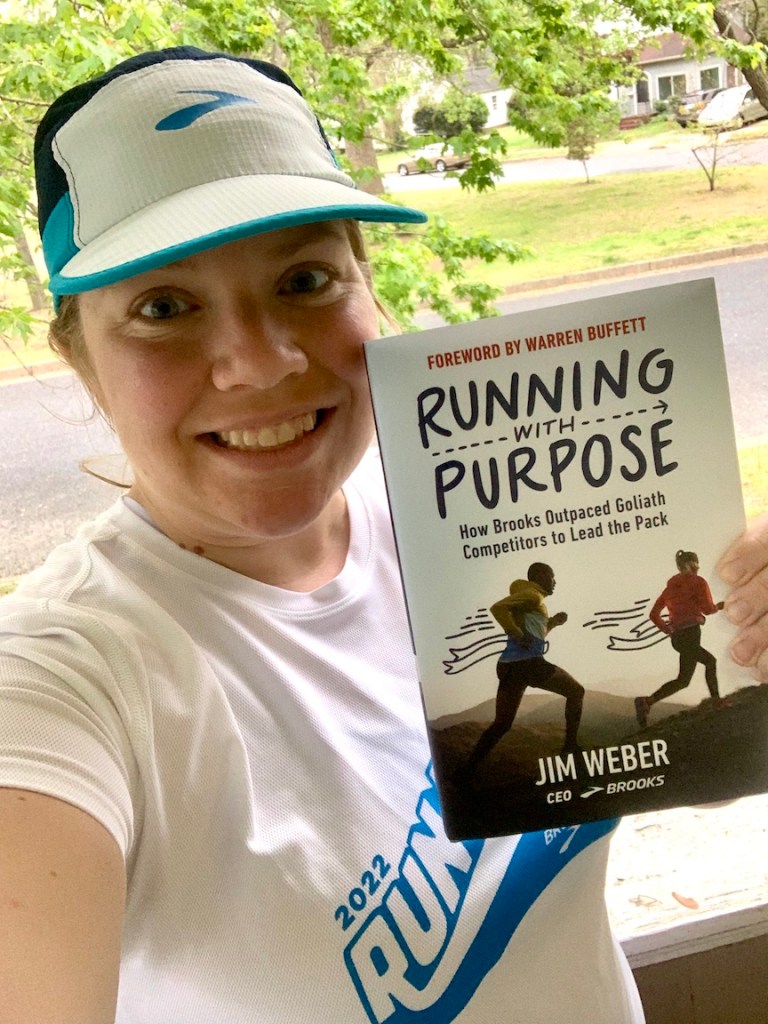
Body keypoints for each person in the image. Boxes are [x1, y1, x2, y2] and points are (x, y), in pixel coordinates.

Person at [1, 44, 766, 1024]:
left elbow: (648, 787)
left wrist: (749, 659)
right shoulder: (66, 676)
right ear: (77, 357)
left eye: (304, 279)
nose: (258, 362)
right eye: (163, 306)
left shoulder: (476, 514)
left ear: (369, 285)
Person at [457, 564, 584, 785]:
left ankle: (467, 771)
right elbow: (497, 608)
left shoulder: (533, 601)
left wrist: (553, 622)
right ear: (541, 576)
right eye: (553, 577)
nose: (555, 582)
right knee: (576, 691)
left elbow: (535, 634)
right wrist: (514, 632)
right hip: (529, 665)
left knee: (502, 724)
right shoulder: (532, 596)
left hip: (510, 666)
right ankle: (570, 746)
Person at [635, 549, 725, 728]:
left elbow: (653, 614)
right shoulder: (698, 582)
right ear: (691, 564)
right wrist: (718, 607)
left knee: (683, 680)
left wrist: (668, 629)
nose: (698, 568)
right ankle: (717, 702)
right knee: (710, 662)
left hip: (677, 638)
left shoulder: (669, 588)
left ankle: (647, 702)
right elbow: (707, 609)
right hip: (691, 634)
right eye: (696, 564)